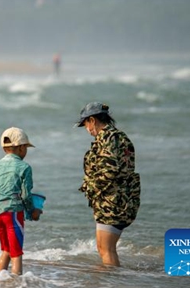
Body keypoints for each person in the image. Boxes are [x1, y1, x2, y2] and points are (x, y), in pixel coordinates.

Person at [76, 102, 140, 267]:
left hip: (114, 201)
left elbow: (109, 172)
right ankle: (110, 281)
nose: (86, 129)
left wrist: (89, 187)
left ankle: (111, 282)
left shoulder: (109, 138)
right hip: (117, 200)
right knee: (104, 248)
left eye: (85, 124)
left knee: (106, 249)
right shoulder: (116, 137)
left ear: (92, 120)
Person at [0, 127, 42, 276]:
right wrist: (33, 212)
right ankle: (16, 284)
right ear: (21, 147)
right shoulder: (24, 167)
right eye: (26, 147)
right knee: (16, 253)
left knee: (6, 250)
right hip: (12, 212)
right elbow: (25, 195)